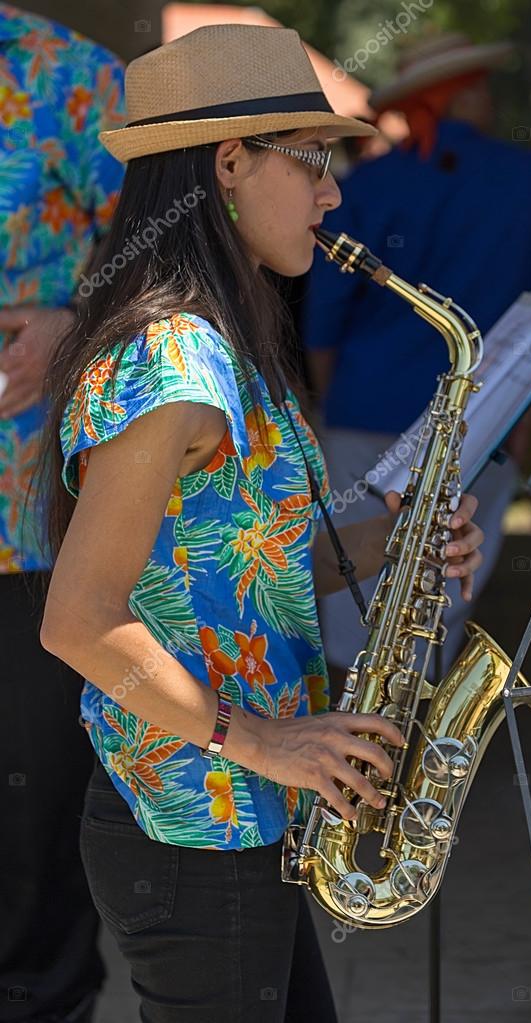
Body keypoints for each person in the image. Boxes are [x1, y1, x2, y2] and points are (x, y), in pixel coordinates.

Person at [36, 25, 486, 1023]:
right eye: (314, 162)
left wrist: (396, 545)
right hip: (198, 828)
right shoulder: (172, 368)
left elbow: (239, 561)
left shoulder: (225, 342)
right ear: (229, 164)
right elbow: (75, 617)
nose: (334, 195)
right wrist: (266, 741)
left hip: (241, 822)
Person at [301, 33, 531, 681]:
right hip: (482, 421)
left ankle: (347, 748)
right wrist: (524, 427)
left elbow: (322, 319)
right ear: (463, 93)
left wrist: (332, 404)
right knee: (437, 607)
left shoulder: (369, 184)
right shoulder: (528, 179)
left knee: (352, 607)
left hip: (362, 411)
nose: (490, 103)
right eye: (481, 91)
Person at [0, 4, 125, 1020]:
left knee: (31, 808)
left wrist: (75, 317)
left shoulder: (66, 74)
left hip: (29, 519)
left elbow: (180, 243)